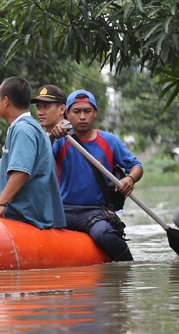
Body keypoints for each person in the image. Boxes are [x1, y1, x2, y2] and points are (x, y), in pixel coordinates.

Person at [53, 89, 143, 261]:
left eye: (87, 111)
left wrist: (130, 178)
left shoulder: (109, 141)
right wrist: (51, 136)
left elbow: (136, 166)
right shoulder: (58, 140)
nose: (82, 117)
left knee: (104, 235)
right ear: (66, 114)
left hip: (94, 212)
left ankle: (127, 267)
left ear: (95, 113)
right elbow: (42, 160)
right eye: (76, 111)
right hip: (62, 210)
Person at [0, 78, 65, 229]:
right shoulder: (25, 127)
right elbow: (2, 170)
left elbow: (21, 171)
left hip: (25, 211)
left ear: (5, 101)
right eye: (39, 107)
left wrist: (0, 204)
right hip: (25, 205)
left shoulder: (23, 130)